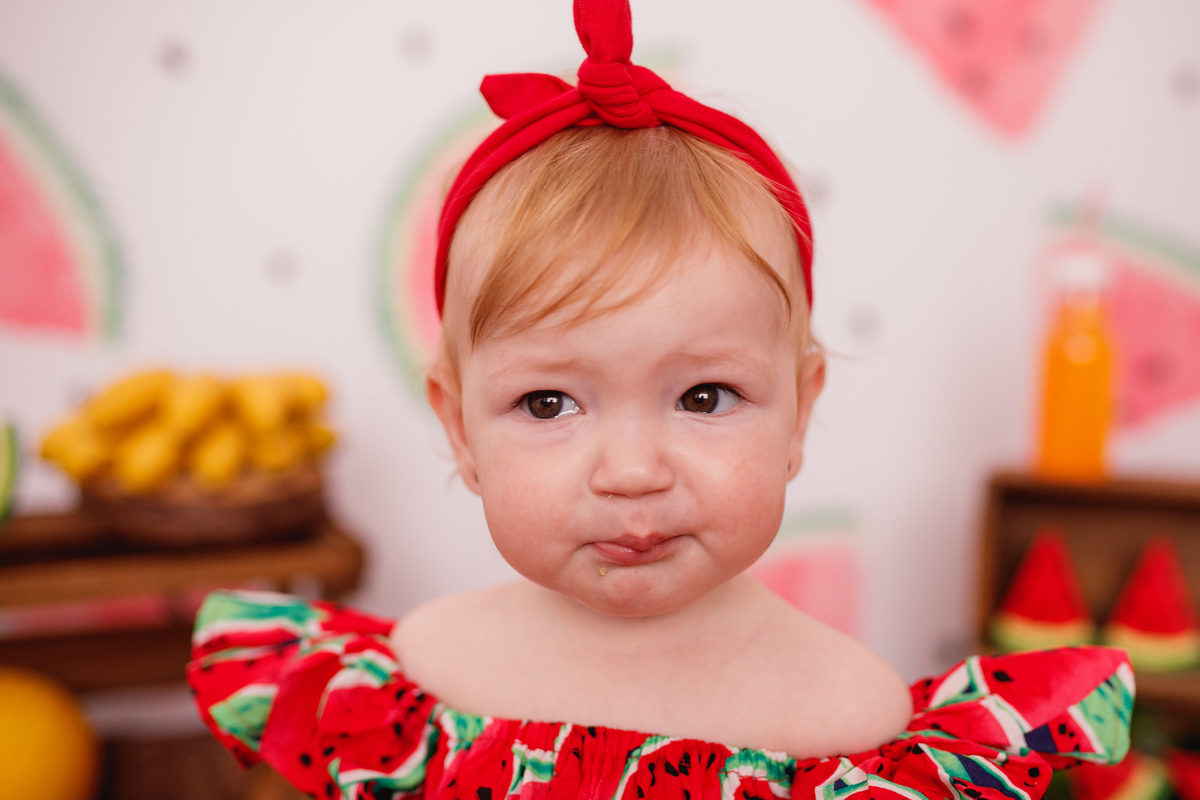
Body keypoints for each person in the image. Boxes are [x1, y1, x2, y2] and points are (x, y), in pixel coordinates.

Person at [188, 2, 1134, 798]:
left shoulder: (850, 720)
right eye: (550, 404)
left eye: (706, 395)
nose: (633, 472)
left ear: (800, 413)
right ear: (459, 427)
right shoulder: (416, 682)